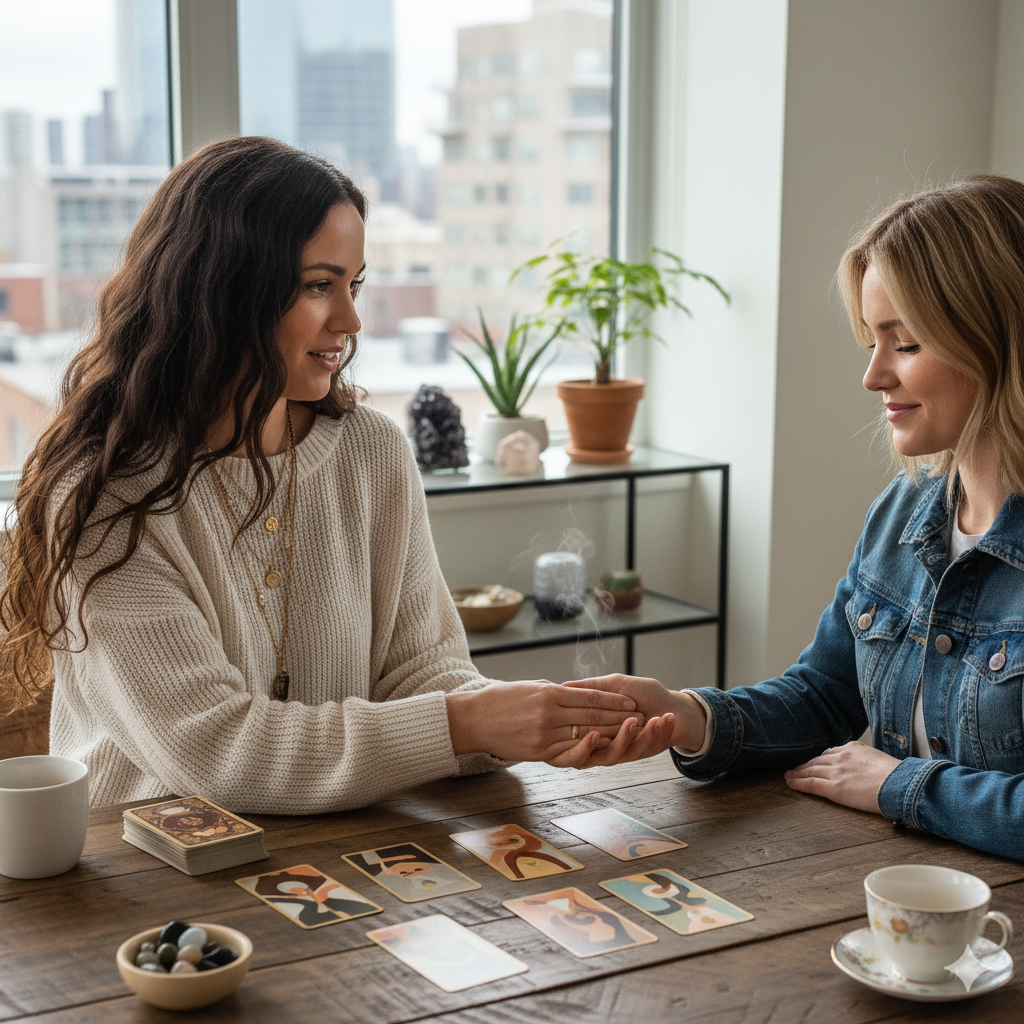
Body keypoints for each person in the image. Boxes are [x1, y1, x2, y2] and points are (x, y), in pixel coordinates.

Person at [0, 136, 667, 814]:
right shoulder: (107, 497)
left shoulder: (371, 452)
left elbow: (422, 669)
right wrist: (466, 725)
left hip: (342, 851)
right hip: (148, 873)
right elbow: (220, 752)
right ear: (225, 290)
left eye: (355, 285)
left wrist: (522, 725)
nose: (350, 320)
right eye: (320, 285)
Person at [560, 174, 1024, 862]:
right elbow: (825, 696)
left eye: (905, 343)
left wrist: (902, 786)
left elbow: (895, 780)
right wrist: (687, 717)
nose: (872, 376)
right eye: (871, 338)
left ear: (997, 341)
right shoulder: (900, 517)